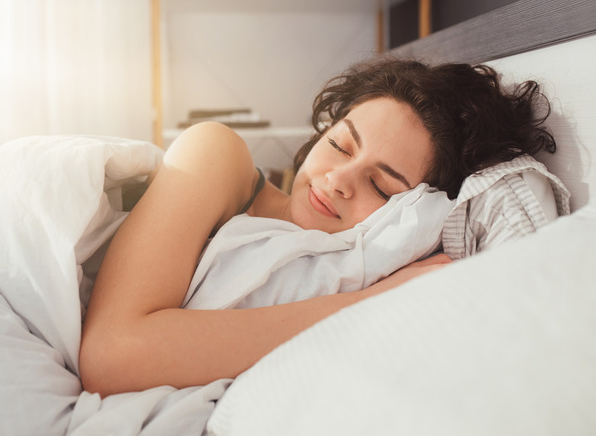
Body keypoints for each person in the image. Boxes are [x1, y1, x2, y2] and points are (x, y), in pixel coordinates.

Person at [79, 58, 555, 396]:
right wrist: (367, 306)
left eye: (383, 187)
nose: (338, 180)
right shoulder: (218, 153)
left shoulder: (355, 266)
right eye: (341, 146)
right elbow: (111, 354)